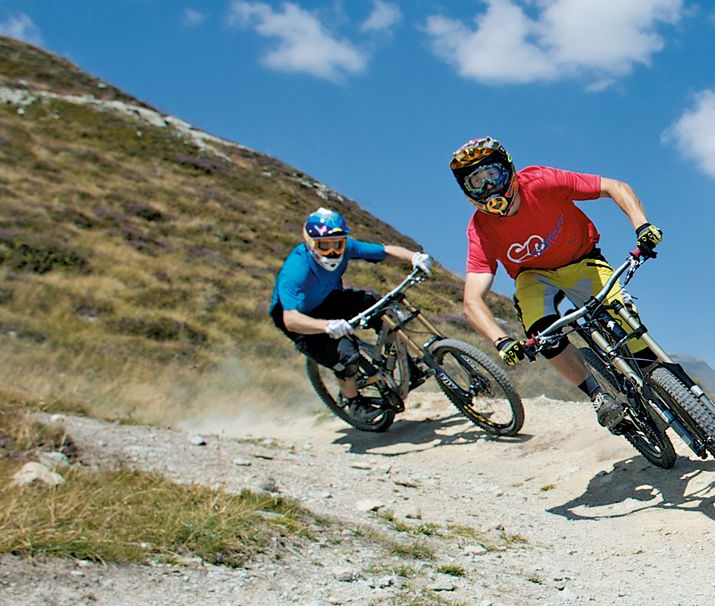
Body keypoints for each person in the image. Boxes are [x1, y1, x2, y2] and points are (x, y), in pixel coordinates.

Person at [448, 136, 664, 432]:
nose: (488, 187)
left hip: (582, 259)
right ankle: (597, 396)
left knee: (628, 326)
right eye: (477, 182)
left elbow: (615, 187)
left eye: (492, 175)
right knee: (542, 332)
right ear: (467, 191)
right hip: (534, 276)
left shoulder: (542, 181)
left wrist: (642, 225)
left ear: (507, 169)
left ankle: (672, 390)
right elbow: (472, 300)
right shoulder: (480, 230)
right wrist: (502, 341)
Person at [270, 207, 433, 410]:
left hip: (329, 299)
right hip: (302, 319)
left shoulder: (347, 247)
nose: (333, 251)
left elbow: (384, 252)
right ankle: (353, 402)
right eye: (325, 245)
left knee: (381, 307)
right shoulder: (296, 269)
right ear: (312, 244)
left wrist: (414, 257)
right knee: (347, 357)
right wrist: (326, 326)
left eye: (337, 244)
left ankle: (406, 365)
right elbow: (291, 319)